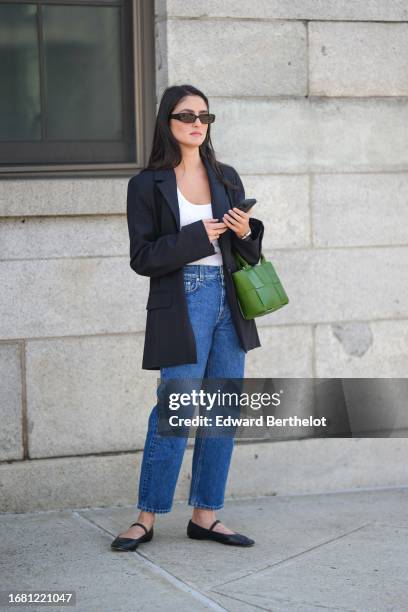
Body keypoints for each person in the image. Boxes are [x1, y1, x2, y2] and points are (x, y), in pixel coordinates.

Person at [111, 84, 264, 551]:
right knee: (175, 409)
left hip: (229, 301)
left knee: (222, 410)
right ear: (167, 122)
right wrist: (200, 236)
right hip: (184, 298)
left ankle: (206, 515)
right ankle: (146, 517)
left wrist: (245, 231)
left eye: (204, 116)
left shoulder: (226, 176)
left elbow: (251, 255)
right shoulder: (146, 184)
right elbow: (143, 257)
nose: (197, 123)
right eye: (185, 116)